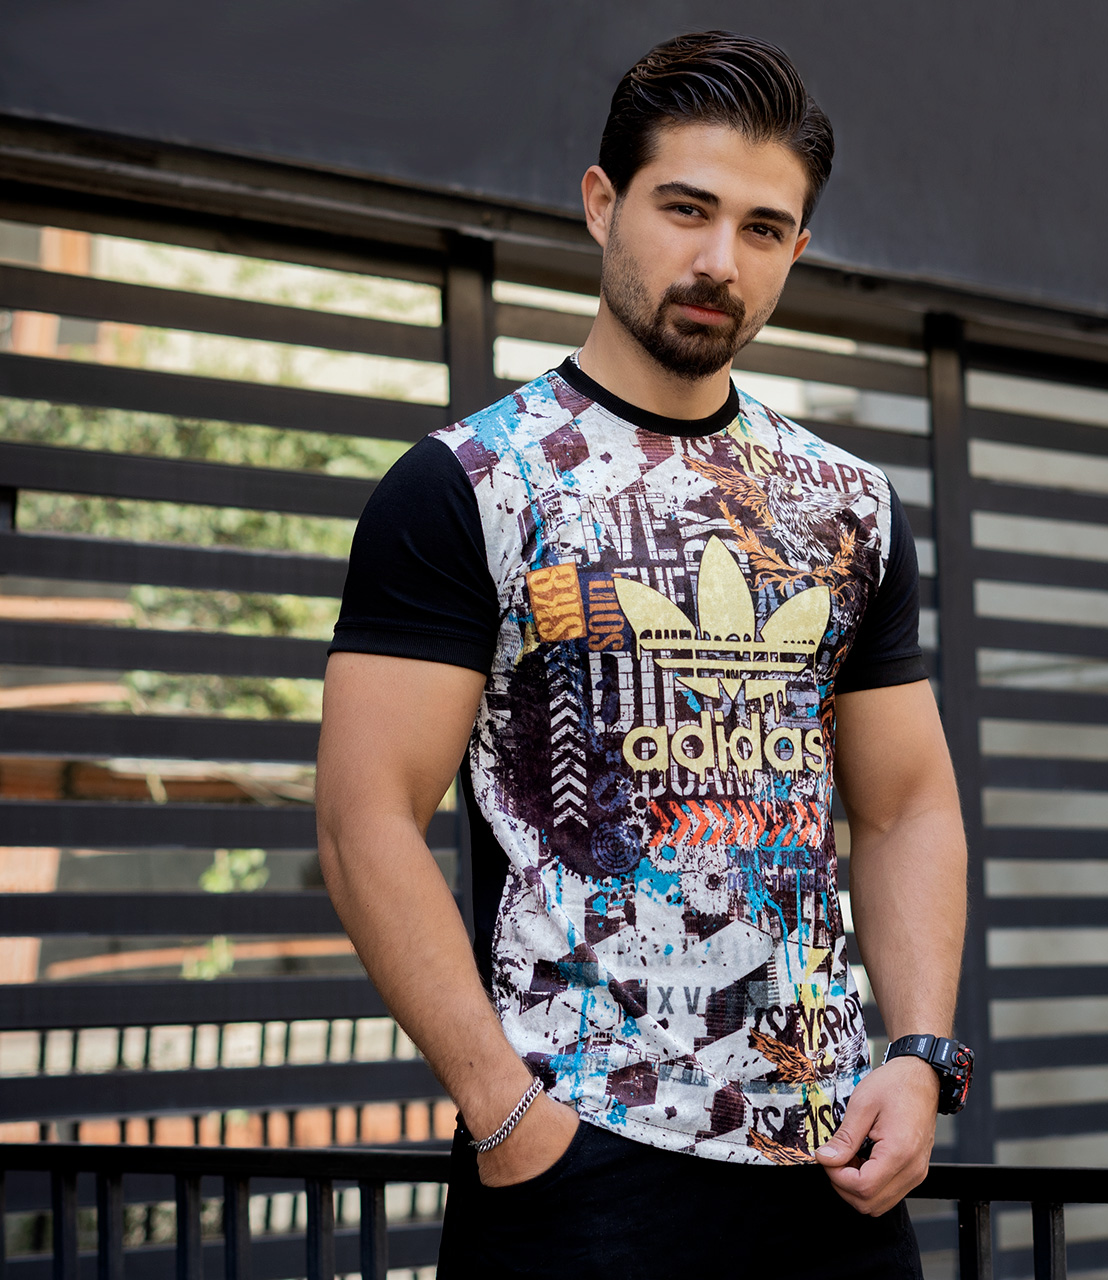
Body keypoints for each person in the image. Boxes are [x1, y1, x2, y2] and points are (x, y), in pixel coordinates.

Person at [317, 29, 968, 1279]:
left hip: (828, 1161)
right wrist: (505, 1113)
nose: (719, 259)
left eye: (763, 228)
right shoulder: (468, 484)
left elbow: (904, 805)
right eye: (685, 208)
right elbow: (363, 820)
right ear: (601, 203)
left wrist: (919, 1052)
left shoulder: (846, 505)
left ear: (795, 250)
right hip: (577, 1161)